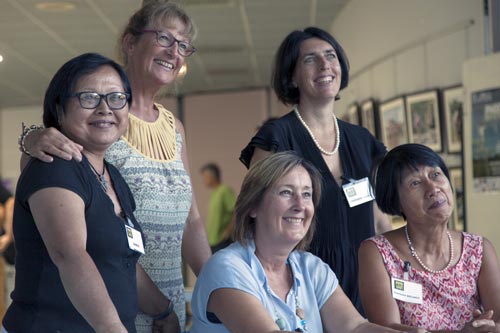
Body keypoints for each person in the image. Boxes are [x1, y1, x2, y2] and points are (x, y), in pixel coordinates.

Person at [18, 2, 211, 331]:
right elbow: (46, 165)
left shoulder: (173, 126)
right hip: (100, 306)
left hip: (165, 301)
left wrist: (219, 287)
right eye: (165, 37)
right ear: (130, 42)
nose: (174, 51)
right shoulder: (97, 121)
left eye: (182, 45)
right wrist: (32, 137)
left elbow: (191, 220)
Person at [3, 53, 179, 333]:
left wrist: (163, 311)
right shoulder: (55, 167)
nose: (105, 108)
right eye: (88, 97)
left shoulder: (113, 177)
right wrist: (112, 328)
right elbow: (69, 254)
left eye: (116, 97)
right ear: (59, 108)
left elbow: (124, 261)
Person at [240, 26, 391, 313]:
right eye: (310, 59)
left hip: (366, 287)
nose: (324, 65)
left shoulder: (362, 140)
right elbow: (254, 216)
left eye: (330, 56)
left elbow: (379, 221)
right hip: (301, 286)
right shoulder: (277, 137)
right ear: (292, 76)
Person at [191, 152, 413, 333]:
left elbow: (354, 326)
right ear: (252, 206)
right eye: (286, 192)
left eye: (307, 194)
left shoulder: (311, 267)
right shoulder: (227, 267)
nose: (300, 205)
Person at [358, 143, 500, 332]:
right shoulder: (376, 252)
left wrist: (488, 327)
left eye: (435, 175)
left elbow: (497, 317)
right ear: (396, 201)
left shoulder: (479, 249)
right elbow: (387, 329)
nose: (433, 188)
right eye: (415, 183)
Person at [200, 163, 236, 253]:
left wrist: (228, 231)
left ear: (211, 176)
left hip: (222, 241)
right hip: (212, 241)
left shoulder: (224, 190)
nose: (203, 180)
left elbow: (236, 211)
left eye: (204, 177)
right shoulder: (214, 192)